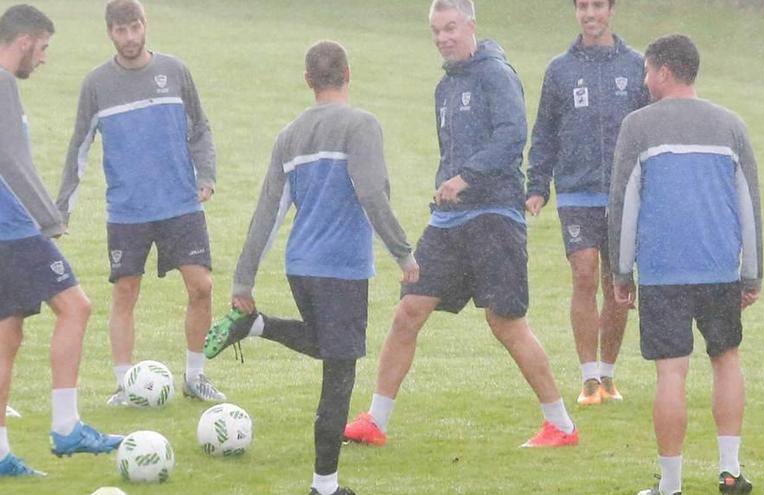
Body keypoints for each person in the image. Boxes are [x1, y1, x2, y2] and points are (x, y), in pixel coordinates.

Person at [343, 0, 578, 449]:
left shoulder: (496, 74)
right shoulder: (444, 87)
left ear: (470, 25)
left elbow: (513, 136)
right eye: (436, 31)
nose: (443, 38)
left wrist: (465, 176)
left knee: (506, 323)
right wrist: (447, 185)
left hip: (494, 217)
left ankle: (562, 426)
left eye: (450, 28)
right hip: (449, 222)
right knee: (407, 312)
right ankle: (376, 420)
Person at [203, 40, 418, 495]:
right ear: (347, 73)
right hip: (341, 269)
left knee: (326, 346)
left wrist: (244, 278)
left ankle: (254, 324)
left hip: (300, 266)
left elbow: (269, 210)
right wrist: (402, 253)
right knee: (339, 371)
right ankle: (324, 486)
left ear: (308, 80)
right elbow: (372, 193)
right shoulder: (361, 125)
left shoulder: (289, 136)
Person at [0, 4, 122, 478]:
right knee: (76, 307)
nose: (43, 59)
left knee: (7, 334)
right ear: (24, 41)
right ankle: (67, 426)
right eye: (42, 48)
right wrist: (47, 216)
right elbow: (3, 154)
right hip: (9, 228)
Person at [608, 34, 762, 495]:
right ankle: (730, 471)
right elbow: (749, 206)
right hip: (719, 270)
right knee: (726, 358)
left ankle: (671, 487)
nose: (644, 79)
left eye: (647, 71)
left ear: (664, 72)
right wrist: (751, 273)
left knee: (671, 372)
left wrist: (620, 272)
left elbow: (623, 203)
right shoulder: (732, 126)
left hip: (662, 272)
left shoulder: (638, 127)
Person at [55, 0, 225, 405]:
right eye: (120, 30)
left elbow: (199, 128)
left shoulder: (175, 71)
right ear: (109, 33)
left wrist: (206, 175)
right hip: (128, 210)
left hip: (181, 204)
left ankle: (196, 376)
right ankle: (124, 385)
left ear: (145, 25)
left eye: (134, 28)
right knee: (126, 292)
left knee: (202, 286)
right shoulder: (97, 84)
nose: (129, 38)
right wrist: (61, 209)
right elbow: (79, 146)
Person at [525, 0, 648, 405]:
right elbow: (544, 131)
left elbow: (649, 130)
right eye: (582, 6)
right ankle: (588, 377)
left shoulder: (636, 66)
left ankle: (609, 375)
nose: (589, 13)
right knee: (583, 275)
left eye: (597, 5)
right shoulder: (560, 69)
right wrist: (538, 184)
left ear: (612, 10)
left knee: (618, 285)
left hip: (624, 191)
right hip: (577, 190)